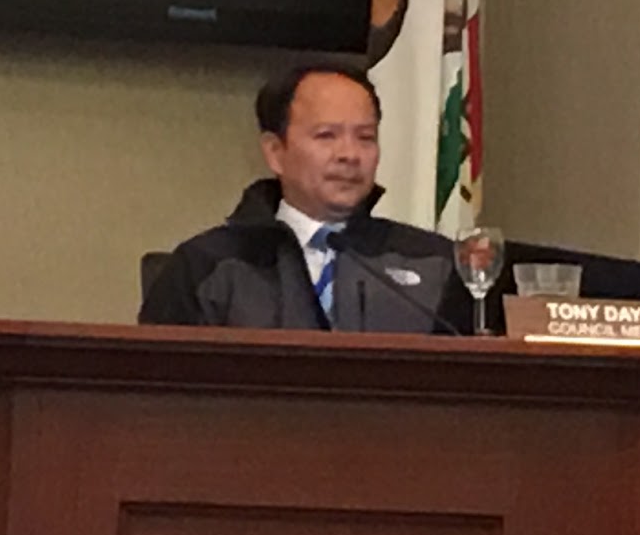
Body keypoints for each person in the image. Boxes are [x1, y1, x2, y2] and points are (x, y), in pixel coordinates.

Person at [139, 64, 470, 334]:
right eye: (326, 136)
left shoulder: (435, 262)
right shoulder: (207, 266)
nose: (349, 154)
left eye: (366, 137)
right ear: (275, 152)